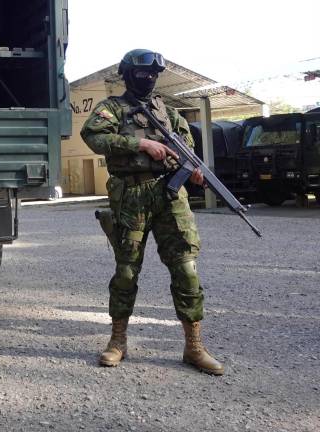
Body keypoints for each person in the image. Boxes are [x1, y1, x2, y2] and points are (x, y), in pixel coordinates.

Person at [81, 49, 224, 376]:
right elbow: (93, 135)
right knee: (126, 271)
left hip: (170, 196)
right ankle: (118, 341)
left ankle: (194, 346)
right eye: (142, 73)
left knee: (186, 269)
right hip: (131, 195)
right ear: (127, 74)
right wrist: (141, 145)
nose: (148, 78)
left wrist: (194, 173)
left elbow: (187, 152)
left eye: (153, 74)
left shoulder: (170, 113)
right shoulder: (112, 109)